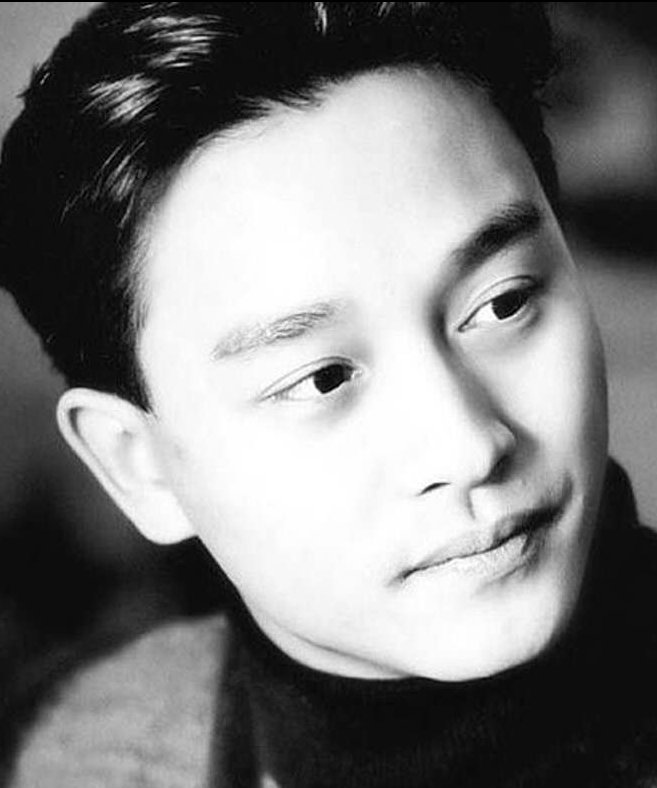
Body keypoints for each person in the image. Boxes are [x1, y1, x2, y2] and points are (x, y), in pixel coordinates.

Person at [1, 2, 657, 786]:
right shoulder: (64, 757)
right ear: (138, 466)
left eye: (503, 303)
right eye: (321, 379)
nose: (468, 447)